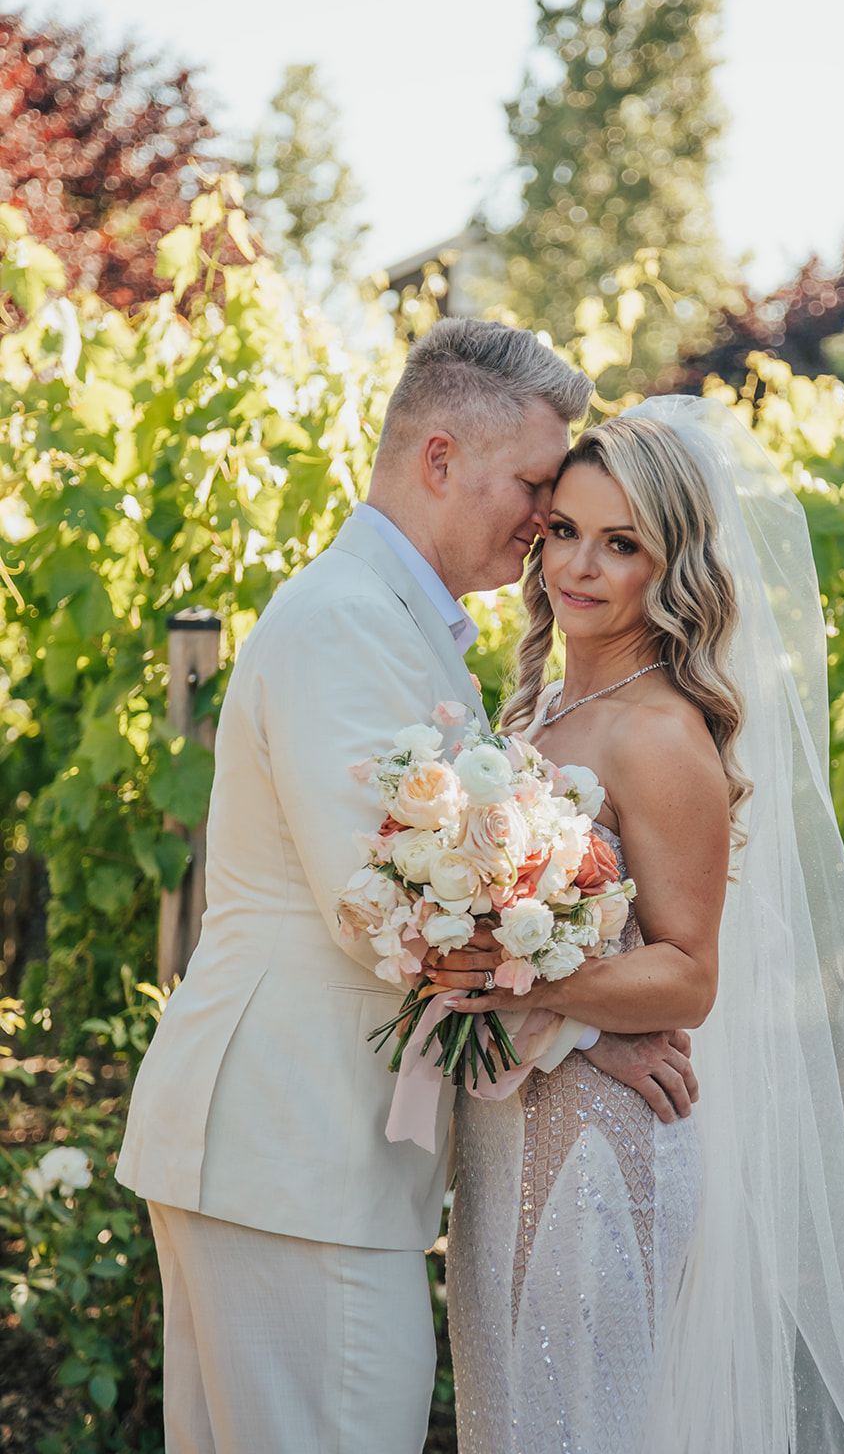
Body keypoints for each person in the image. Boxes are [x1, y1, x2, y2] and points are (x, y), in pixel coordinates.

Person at [116, 318, 697, 1454]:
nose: (544, 521)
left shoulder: (393, 619)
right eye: (534, 482)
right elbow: (393, 912)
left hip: (286, 1159)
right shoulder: (346, 620)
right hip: (291, 1152)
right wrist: (592, 1033)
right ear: (438, 459)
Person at [442, 398, 844, 1454]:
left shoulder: (660, 735)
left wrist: (516, 975)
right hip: (507, 1129)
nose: (577, 567)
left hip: (604, 1143)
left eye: (619, 544)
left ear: (670, 566)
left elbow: (689, 977)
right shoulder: (534, 714)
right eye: (562, 531)